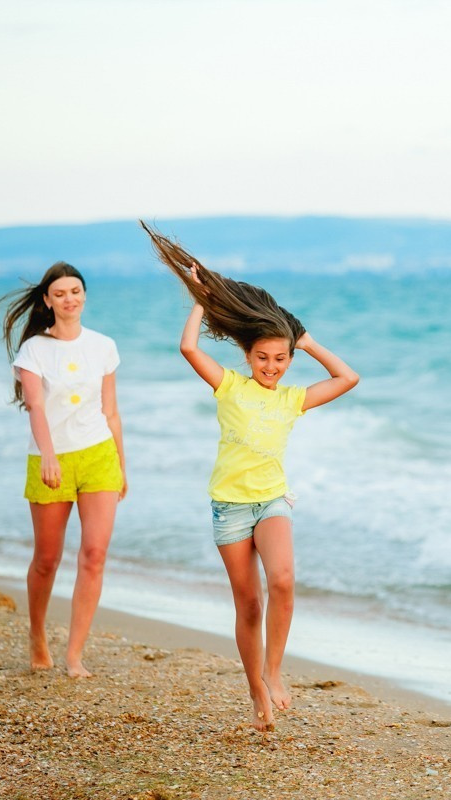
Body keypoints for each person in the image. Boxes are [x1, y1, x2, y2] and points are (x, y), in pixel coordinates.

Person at [141, 221, 359, 731]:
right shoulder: (231, 387)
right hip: (229, 506)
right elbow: (189, 348)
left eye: (280, 359)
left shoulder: (293, 398)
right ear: (247, 356)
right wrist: (202, 298)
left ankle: (275, 672)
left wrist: (304, 341)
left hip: (272, 500)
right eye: (263, 357)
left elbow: (348, 378)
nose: (272, 366)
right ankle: (256, 691)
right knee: (249, 604)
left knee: (282, 579)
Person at [0, 262, 127, 678]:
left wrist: (122, 464)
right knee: (47, 559)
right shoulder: (34, 349)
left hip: (98, 457)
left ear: (84, 295)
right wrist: (49, 455)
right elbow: (35, 405)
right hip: (49, 458)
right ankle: (37, 635)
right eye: (60, 293)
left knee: (94, 555)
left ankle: (74, 655)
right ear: (47, 301)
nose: (69, 298)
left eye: (76, 290)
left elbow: (110, 410)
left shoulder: (104, 345)